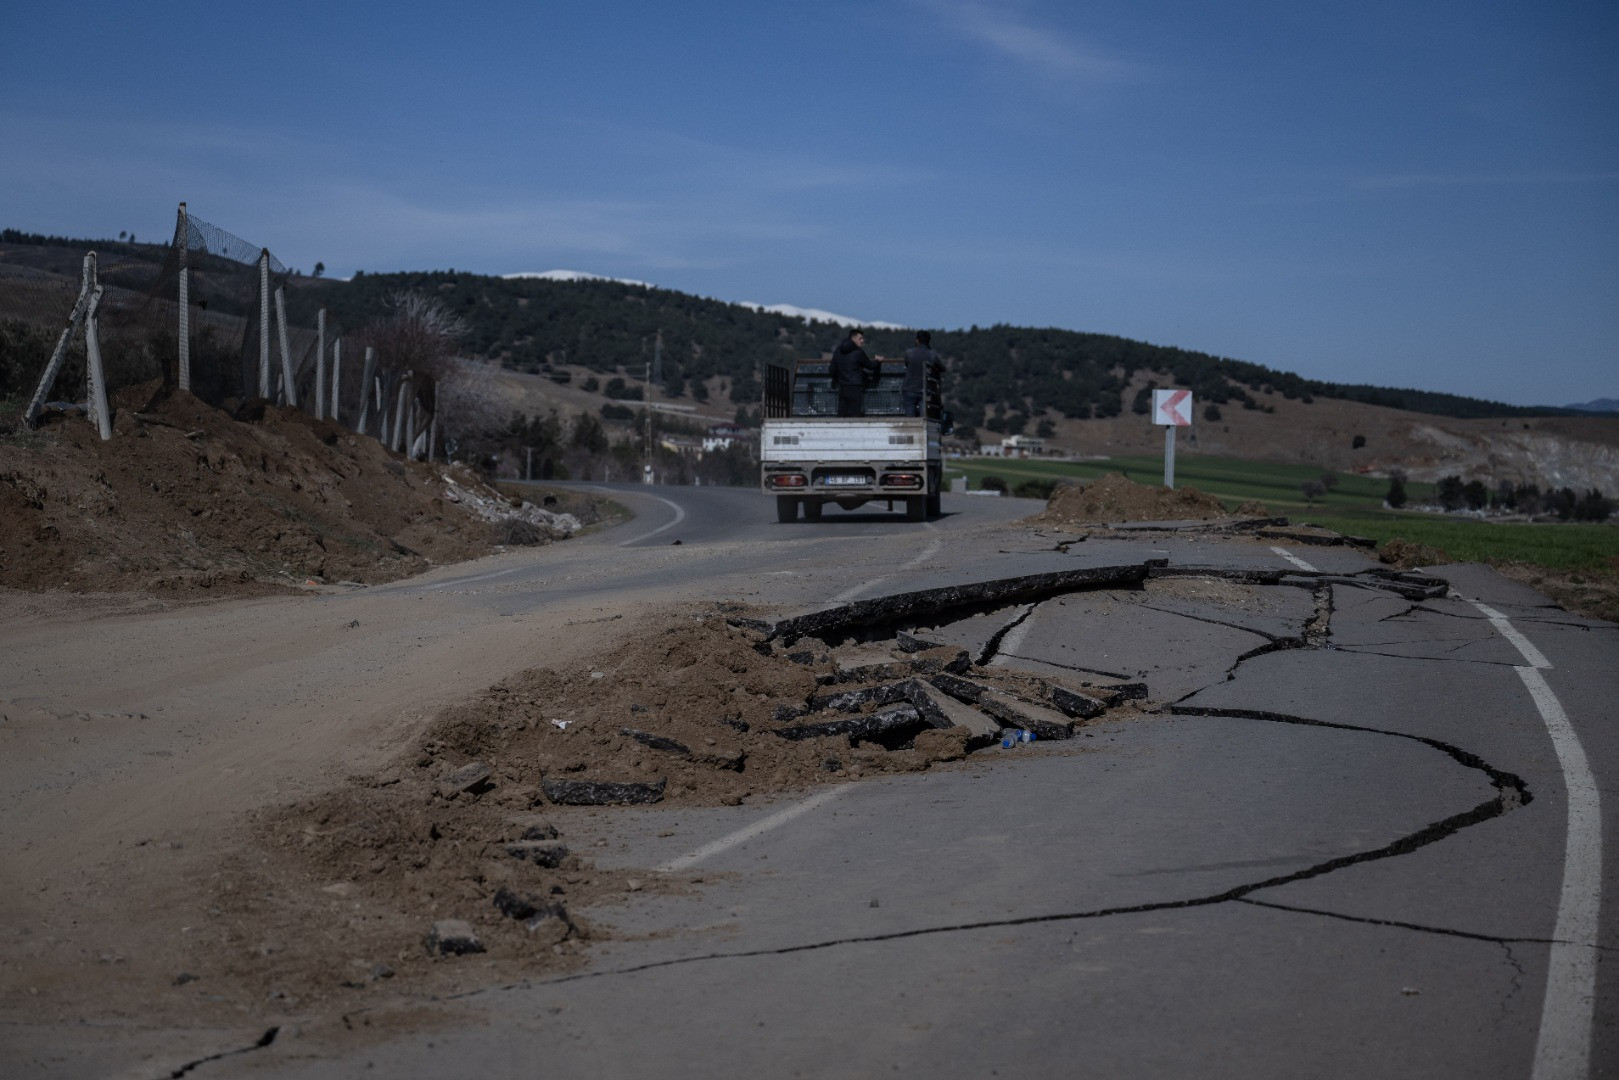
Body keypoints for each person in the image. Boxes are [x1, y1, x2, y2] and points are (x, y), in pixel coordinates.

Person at [830, 329, 882, 417]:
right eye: (860, 338)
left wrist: (836, 380)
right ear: (853, 338)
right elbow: (870, 366)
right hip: (856, 387)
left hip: (842, 387)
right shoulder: (858, 352)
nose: (862, 341)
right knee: (855, 416)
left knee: (841, 415)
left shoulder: (838, 351)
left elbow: (832, 368)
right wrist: (878, 361)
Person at [902, 330, 944, 417]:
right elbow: (943, 368)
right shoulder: (932, 354)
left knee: (910, 417)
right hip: (924, 389)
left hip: (909, 388)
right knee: (923, 418)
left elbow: (907, 364)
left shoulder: (909, 353)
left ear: (917, 340)